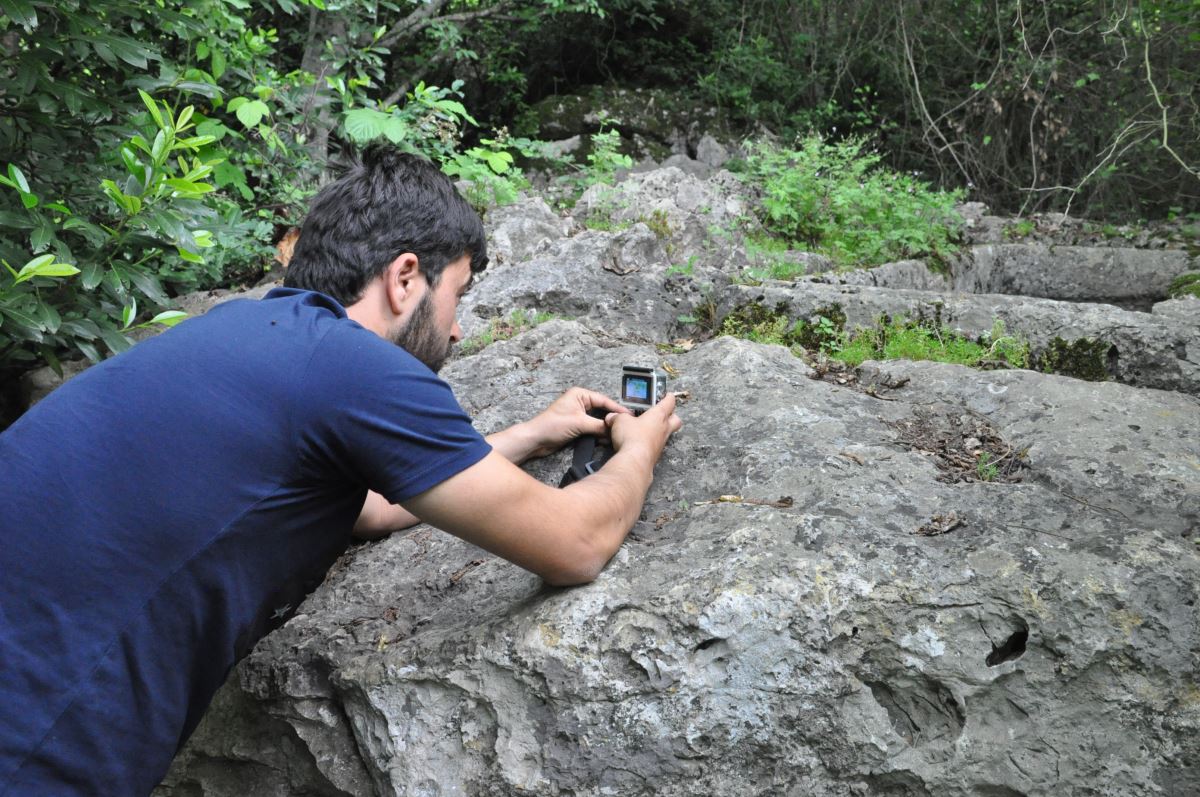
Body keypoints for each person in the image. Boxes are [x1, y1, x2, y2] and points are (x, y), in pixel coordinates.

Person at [0, 143, 682, 796]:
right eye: (459, 296)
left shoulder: (236, 332)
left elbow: (371, 507)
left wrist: (531, 434)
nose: (457, 331)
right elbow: (576, 543)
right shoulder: (355, 366)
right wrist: (640, 448)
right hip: (37, 747)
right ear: (406, 275)